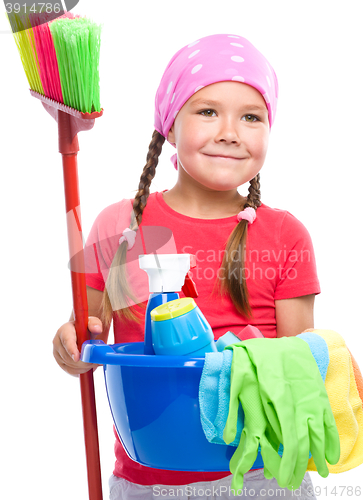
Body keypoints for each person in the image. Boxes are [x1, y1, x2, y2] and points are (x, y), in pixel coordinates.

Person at [53, 34, 319, 499]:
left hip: (263, 477)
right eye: (208, 111)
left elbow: (297, 370)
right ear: (169, 126)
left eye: (251, 117)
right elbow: (88, 344)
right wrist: (72, 344)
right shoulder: (122, 226)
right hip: (149, 477)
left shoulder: (285, 235)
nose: (230, 131)